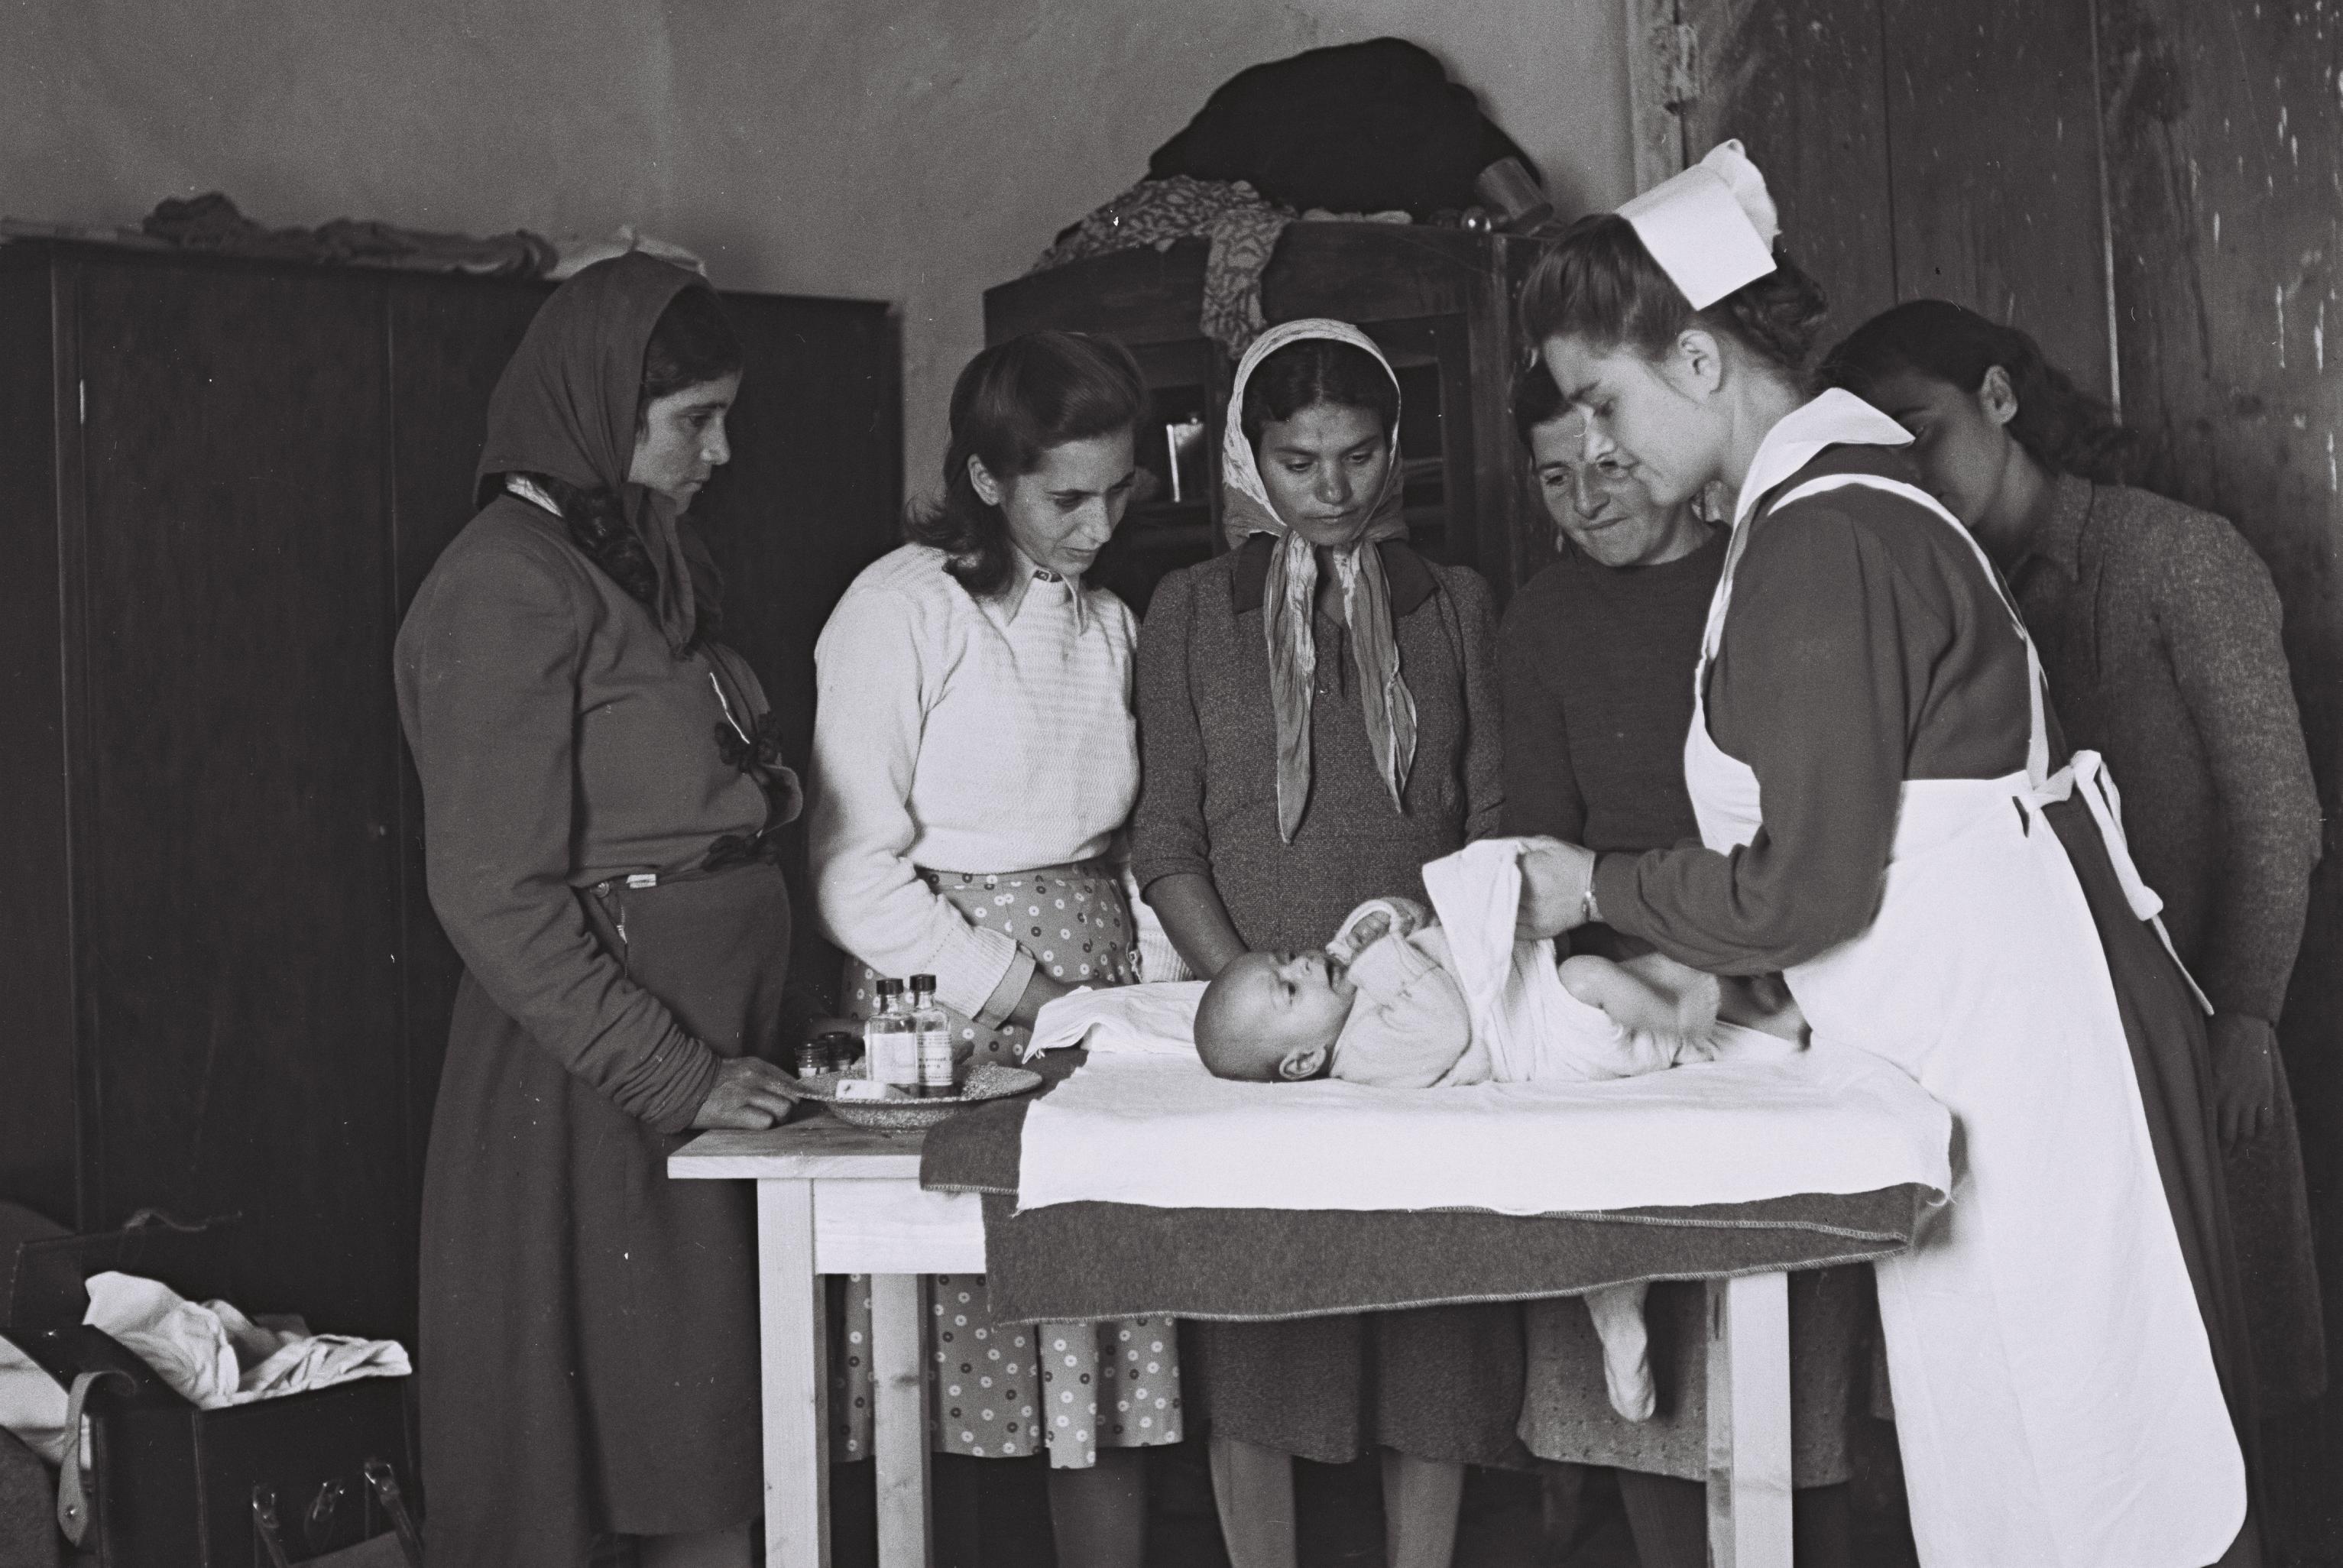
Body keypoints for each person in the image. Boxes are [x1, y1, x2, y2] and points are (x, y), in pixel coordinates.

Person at [1509, 143, 2260, 1566]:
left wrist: (1594, 884)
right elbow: (1882, 849)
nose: (1598, 445)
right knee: (2039, 1472)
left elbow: (1812, 882)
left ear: (1698, 358)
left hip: (2048, 1069)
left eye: (1605, 401)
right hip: (1989, 1044)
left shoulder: (1831, 536)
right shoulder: (1820, 505)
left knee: (2118, 1476)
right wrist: (1737, 987)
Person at [1820, 300, 2327, 1423]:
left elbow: (2274, 811)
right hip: (2039, 1072)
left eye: (1923, 432)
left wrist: (2245, 1015)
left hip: (2200, 1040)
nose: (1909, 475)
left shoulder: (2173, 558)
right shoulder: (1932, 605)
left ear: (1998, 399)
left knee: (2241, 1380)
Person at [397, 254, 806, 1568]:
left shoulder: (626, 560)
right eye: (694, 420)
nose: (724, 450)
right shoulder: (505, 584)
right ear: (595, 408)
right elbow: (489, 890)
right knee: (617, 1467)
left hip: (690, 1067)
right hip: (592, 1090)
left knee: (703, 1445)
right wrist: (675, 1071)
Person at [1131, 317, 1508, 1568]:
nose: (1333, 488)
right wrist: (1251, 1001)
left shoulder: (1452, 601)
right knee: (1262, 1332)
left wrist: (1442, 990)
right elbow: (1169, 836)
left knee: (1433, 1335)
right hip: (1274, 1024)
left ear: (1394, 445)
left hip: (1424, 1021)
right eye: (1298, 461)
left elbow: (1492, 817)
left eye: (1356, 455)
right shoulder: (1191, 608)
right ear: (1249, 457)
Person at [805, 330, 1180, 1567]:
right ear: (983, 479)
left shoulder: (1111, 624)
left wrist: (1149, 1006)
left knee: (1100, 1351)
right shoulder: (901, 609)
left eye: (1118, 490)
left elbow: (1123, 846)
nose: (1097, 523)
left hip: (1094, 992)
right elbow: (857, 873)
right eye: (1065, 496)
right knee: (950, 1346)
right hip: (952, 1005)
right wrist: (1027, 995)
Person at [1501, 354, 1881, 1567]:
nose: (1587, 499)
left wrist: (1739, 958)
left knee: (1777, 1335)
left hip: (1779, 974)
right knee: (1636, 1372)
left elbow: (1819, 825)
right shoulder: (1540, 619)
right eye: (1555, 479)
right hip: (1618, 1002)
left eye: (1608, 465)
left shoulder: (1759, 574)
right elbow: (1535, 839)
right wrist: (1592, 1000)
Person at [1193, 893, 1797, 1087]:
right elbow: (1444, 1025)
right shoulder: (1364, 1056)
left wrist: (1382, 917)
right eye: (1288, 992)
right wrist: (1375, 953)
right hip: (1541, 1037)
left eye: (1287, 959)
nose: (1302, 967)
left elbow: (1417, 918)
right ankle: (1681, 1029)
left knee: (1664, 965)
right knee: (1593, 980)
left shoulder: (1349, 967)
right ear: (1304, 1061)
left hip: (1529, 980)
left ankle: (1767, 1014)